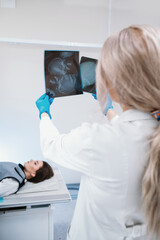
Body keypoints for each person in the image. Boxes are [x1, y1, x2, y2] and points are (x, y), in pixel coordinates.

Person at [35, 25, 160, 240]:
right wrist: (109, 110)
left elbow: (51, 146)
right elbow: (131, 132)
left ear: (112, 84)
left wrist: (44, 114)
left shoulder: (94, 140)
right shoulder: (149, 133)